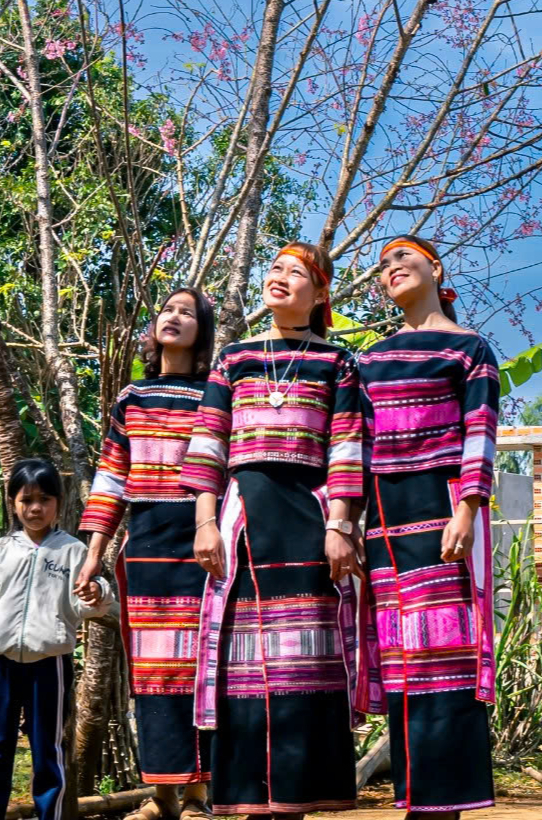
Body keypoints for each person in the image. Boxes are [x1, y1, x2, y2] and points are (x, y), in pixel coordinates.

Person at [181, 243, 365, 818]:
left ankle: (295, 804)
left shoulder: (338, 364)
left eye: (297, 272)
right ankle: (246, 805)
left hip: (307, 526)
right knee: (243, 679)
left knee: (301, 676)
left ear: (321, 294)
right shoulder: (232, 360)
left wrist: (339, 526)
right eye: (276, 268)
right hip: (242, 525)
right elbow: (208, 445)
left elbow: (346, 448)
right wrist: (206, 523)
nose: (280, 278)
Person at [356, 235, 500, 817]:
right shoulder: (366, 359)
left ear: (435, 268)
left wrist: (468, 507)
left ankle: (448, 806)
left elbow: (480, 432)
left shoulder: (469, 349)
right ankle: (414, 801)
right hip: (382, 522)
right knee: (403, 666)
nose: (392, 268)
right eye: (383, 264)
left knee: (447, 659)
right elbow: (349, 445)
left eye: (403, 257)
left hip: (443, 516)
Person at [76, 288, 218, 820]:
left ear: (201, 331)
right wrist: (94, 553)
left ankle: (202, 794)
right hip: (147, 549)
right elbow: (111, 478)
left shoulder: (215, 396)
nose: (174, 318)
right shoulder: (131, 398)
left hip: (205, 547)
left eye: (187, 313)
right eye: (167, 310)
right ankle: (162, 797)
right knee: (154, 673)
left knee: (205, 668)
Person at [0, 457, 90, 820]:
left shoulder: (72, 551)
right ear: (13, 503)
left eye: (44, 500)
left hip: (48, 666)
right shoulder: (0, 551)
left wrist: (97, 594)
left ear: (59, 503)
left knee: (47, 753)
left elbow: (84, 603)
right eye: (26, 500)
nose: (35, 508)